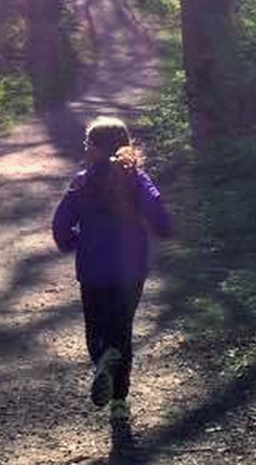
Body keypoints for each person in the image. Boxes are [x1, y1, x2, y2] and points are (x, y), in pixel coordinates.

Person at [52, 117, 172, 421]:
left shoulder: (82, 181)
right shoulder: (137, 178)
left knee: (97, 330)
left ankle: (102, 358)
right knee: (122, 331)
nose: (84, 150)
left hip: (92, 268)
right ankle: (119, 402)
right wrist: (161, 229)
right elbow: (158, 212)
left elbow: (60, 226)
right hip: (131, 268)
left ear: (94, 149)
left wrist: (74, 242)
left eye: (86, 145)